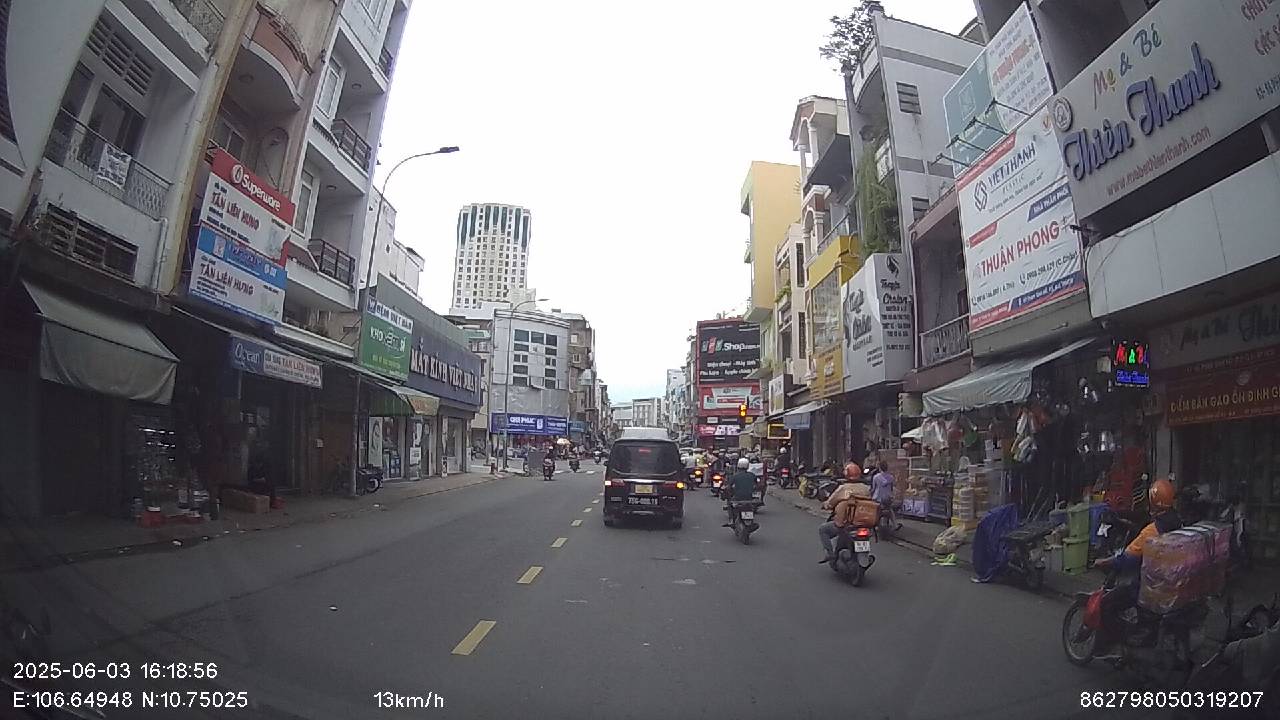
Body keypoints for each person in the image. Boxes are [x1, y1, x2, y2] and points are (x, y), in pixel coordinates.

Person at [1094, 478, 1182, 622]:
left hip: (1149, 587)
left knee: (1107, 603)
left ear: (1152, 502)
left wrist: (1105, 562)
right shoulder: (1179, 524)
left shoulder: (1151, 531)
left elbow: (1127, 559)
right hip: (1171, 584)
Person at [818, 463, 869, 562]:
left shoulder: (843, 489)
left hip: (845, 523)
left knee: (823, 529)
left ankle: (830, 554)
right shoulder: (865, 488)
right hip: (863, 523)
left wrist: (825, 505)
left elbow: (830, 503)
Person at [722, 458, 758, 527]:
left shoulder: (735, 476)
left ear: (738, 466)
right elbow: (756, 486)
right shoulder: (752, 475)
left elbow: (728, 487)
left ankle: (731, 520)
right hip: (750, 498)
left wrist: (728, 492)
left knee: (729, 504)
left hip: (738, 498)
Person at [871, 463, 902, 532]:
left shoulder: (876, 477)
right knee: (890, 510)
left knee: (876, 511)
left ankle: (875, 525)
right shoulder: (891, 477)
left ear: (880, 468)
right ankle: (895, 525)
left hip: (877, 498)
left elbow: (873, 488)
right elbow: (891, 488)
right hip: (887, 498)